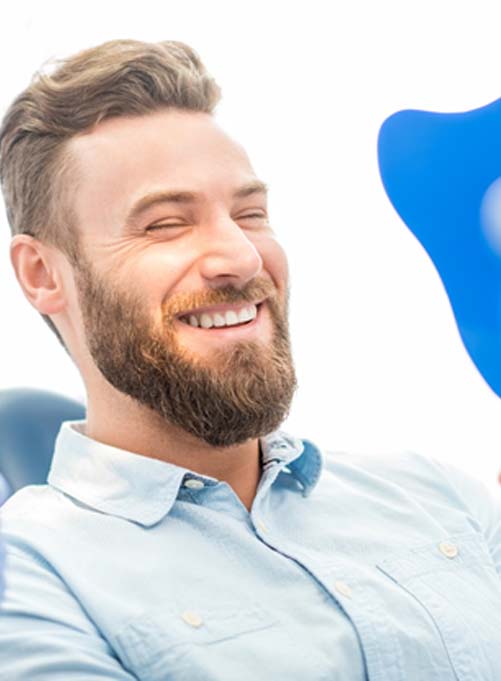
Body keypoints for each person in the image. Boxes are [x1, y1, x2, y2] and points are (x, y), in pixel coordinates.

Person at [0, 39, 500, 681]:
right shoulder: (29, 579)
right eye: (165, 224)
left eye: (250, 213)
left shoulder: (441, 498)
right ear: (42, 274)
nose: (240, 256)